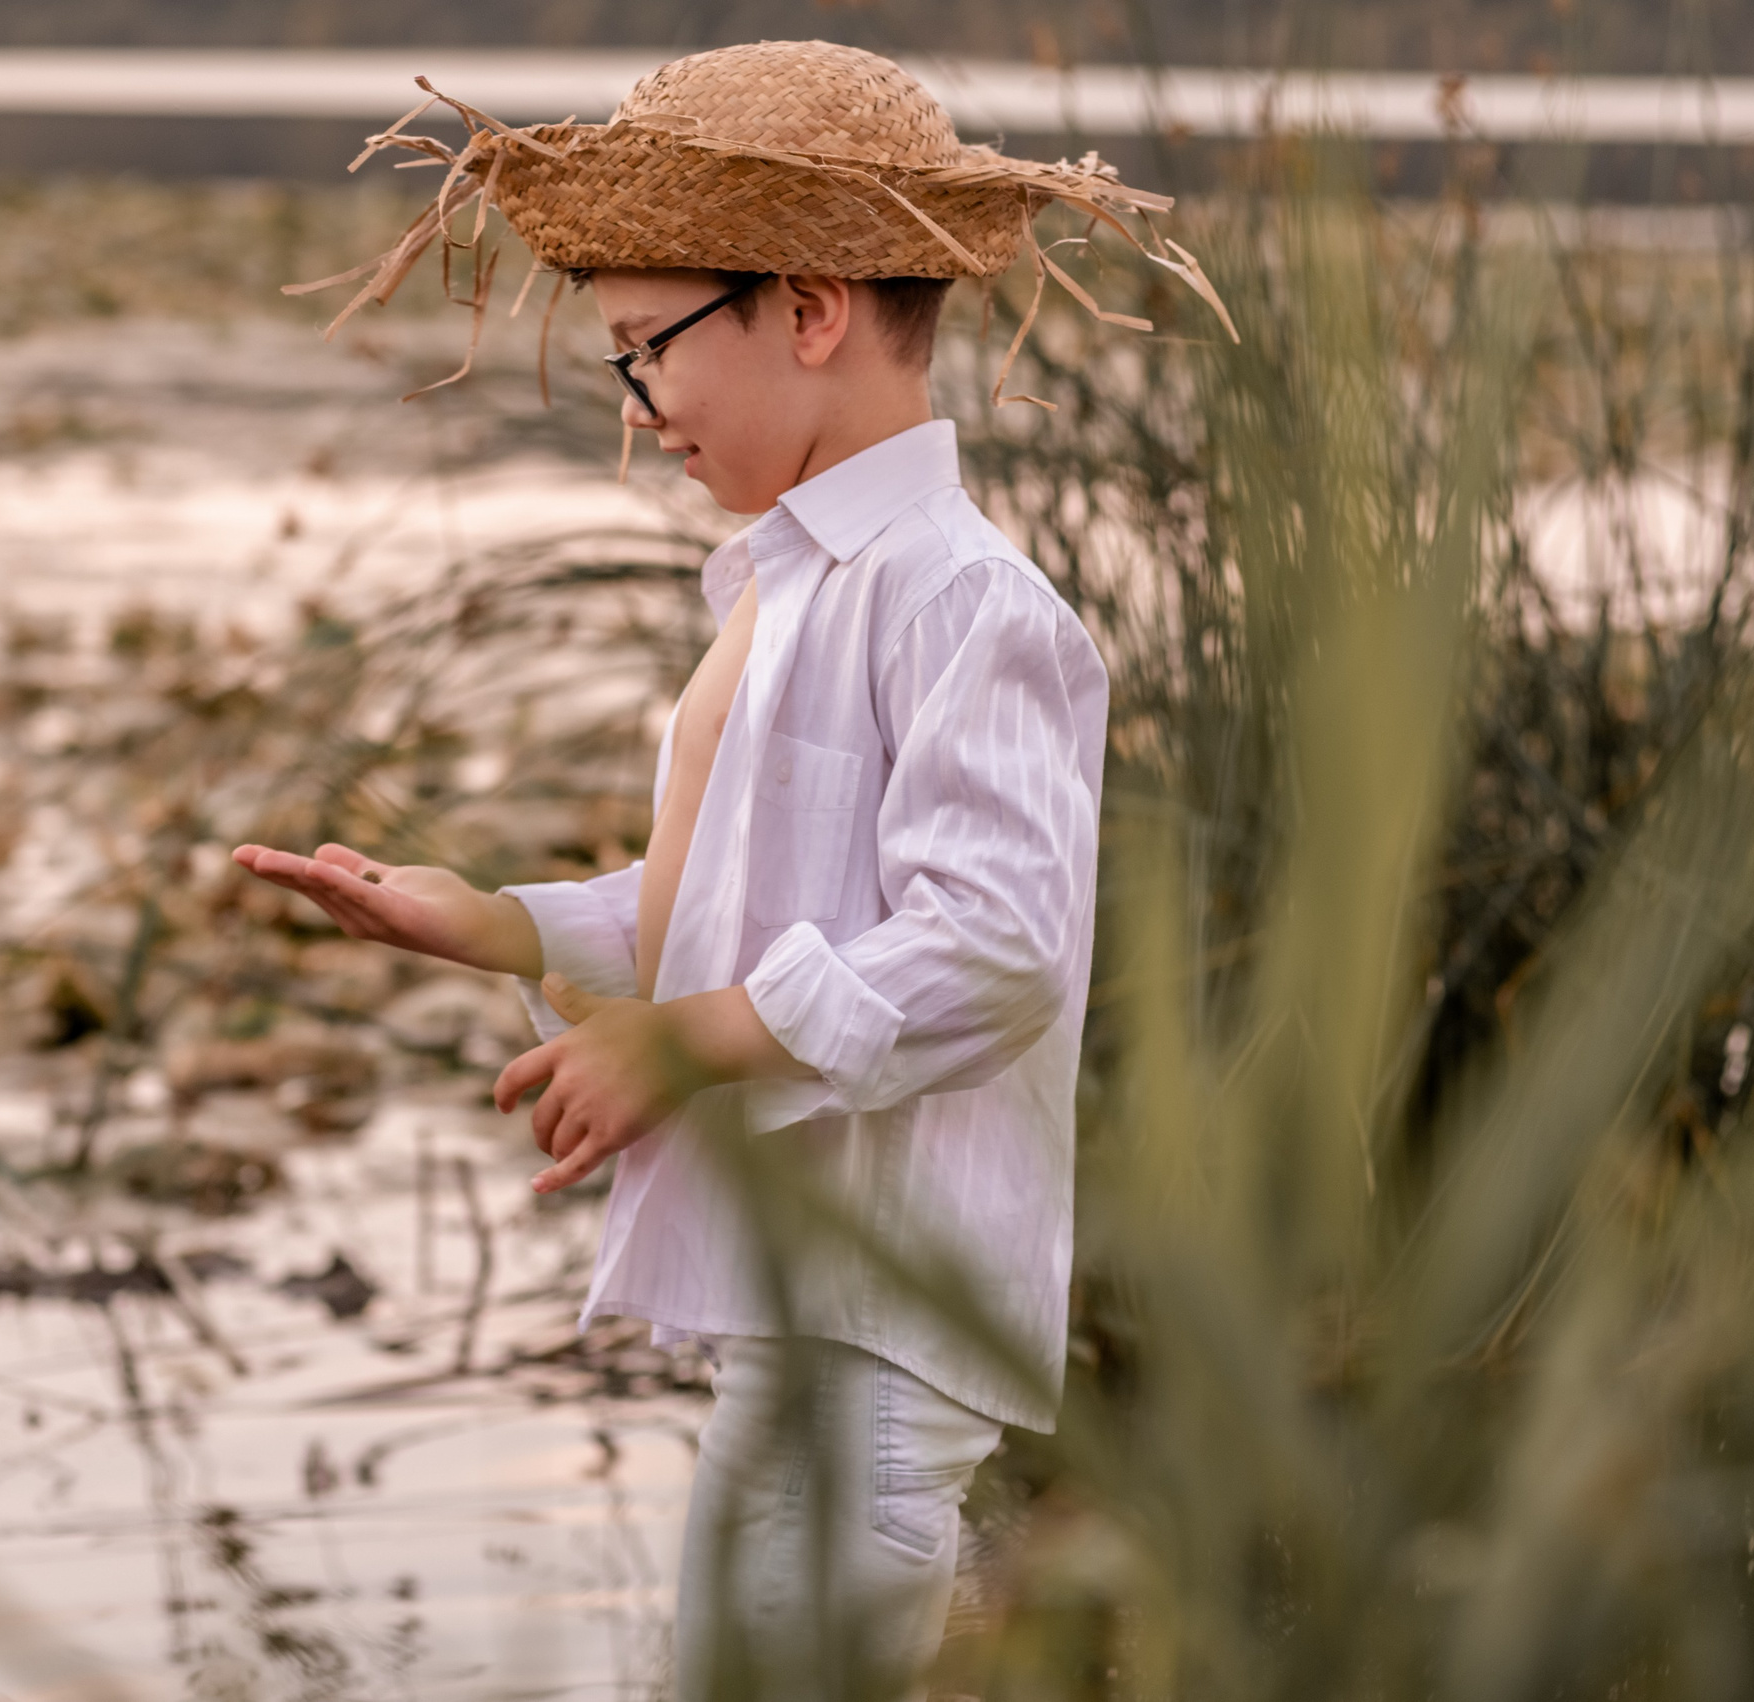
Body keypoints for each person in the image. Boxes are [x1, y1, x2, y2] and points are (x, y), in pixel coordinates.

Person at [237, 41, 1219, 1701]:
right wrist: (489, 921)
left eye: (648, 349)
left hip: (896, 1318)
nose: (639, 405)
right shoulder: (781, 591)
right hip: (796, 1300)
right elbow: (743, 906)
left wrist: (681, 1042)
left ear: (812, 309)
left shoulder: (965, 604)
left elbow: (993, 947)